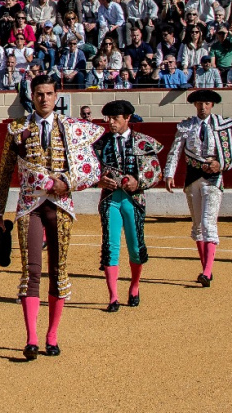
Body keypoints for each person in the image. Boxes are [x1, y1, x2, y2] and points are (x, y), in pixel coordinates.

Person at [0, 74, 103, 359]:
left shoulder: (71, 127)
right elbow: (5, 173)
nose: (44, 98)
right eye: (39, 94)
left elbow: (91, 168)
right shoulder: (17, 128)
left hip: (60, 205)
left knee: (58, 270)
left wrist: (69, 184)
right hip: (29, 206)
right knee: (31, 270)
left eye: (49, 94)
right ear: (32, 96)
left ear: (56, 96)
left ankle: (52, 336)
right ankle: (31, 339)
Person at [164, 89, 232, 288]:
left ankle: (206, 272)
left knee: (208, 223)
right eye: (199, 103)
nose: (203, 107)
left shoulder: (222, 125)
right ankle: (206, 268)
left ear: (212, 105)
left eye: (206, 103)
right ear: (195, 105)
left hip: (213, 178)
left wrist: (220, 165)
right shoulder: (186, 126)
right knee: (198, 225)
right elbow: (175, 151)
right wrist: (169, 174)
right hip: (192, 178)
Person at [95, 100, 163, 311]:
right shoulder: (99, 144)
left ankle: (134, 286)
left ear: (127, 118)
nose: (111, 123)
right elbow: (88, 171)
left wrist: (138, 182)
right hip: (110, 200)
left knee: (135, 247)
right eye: (108, 118)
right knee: (110, 246)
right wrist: (99, 180)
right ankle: (113, 297)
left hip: (133, 201)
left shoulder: (143, 142)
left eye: (115, 118)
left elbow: (156, 173)